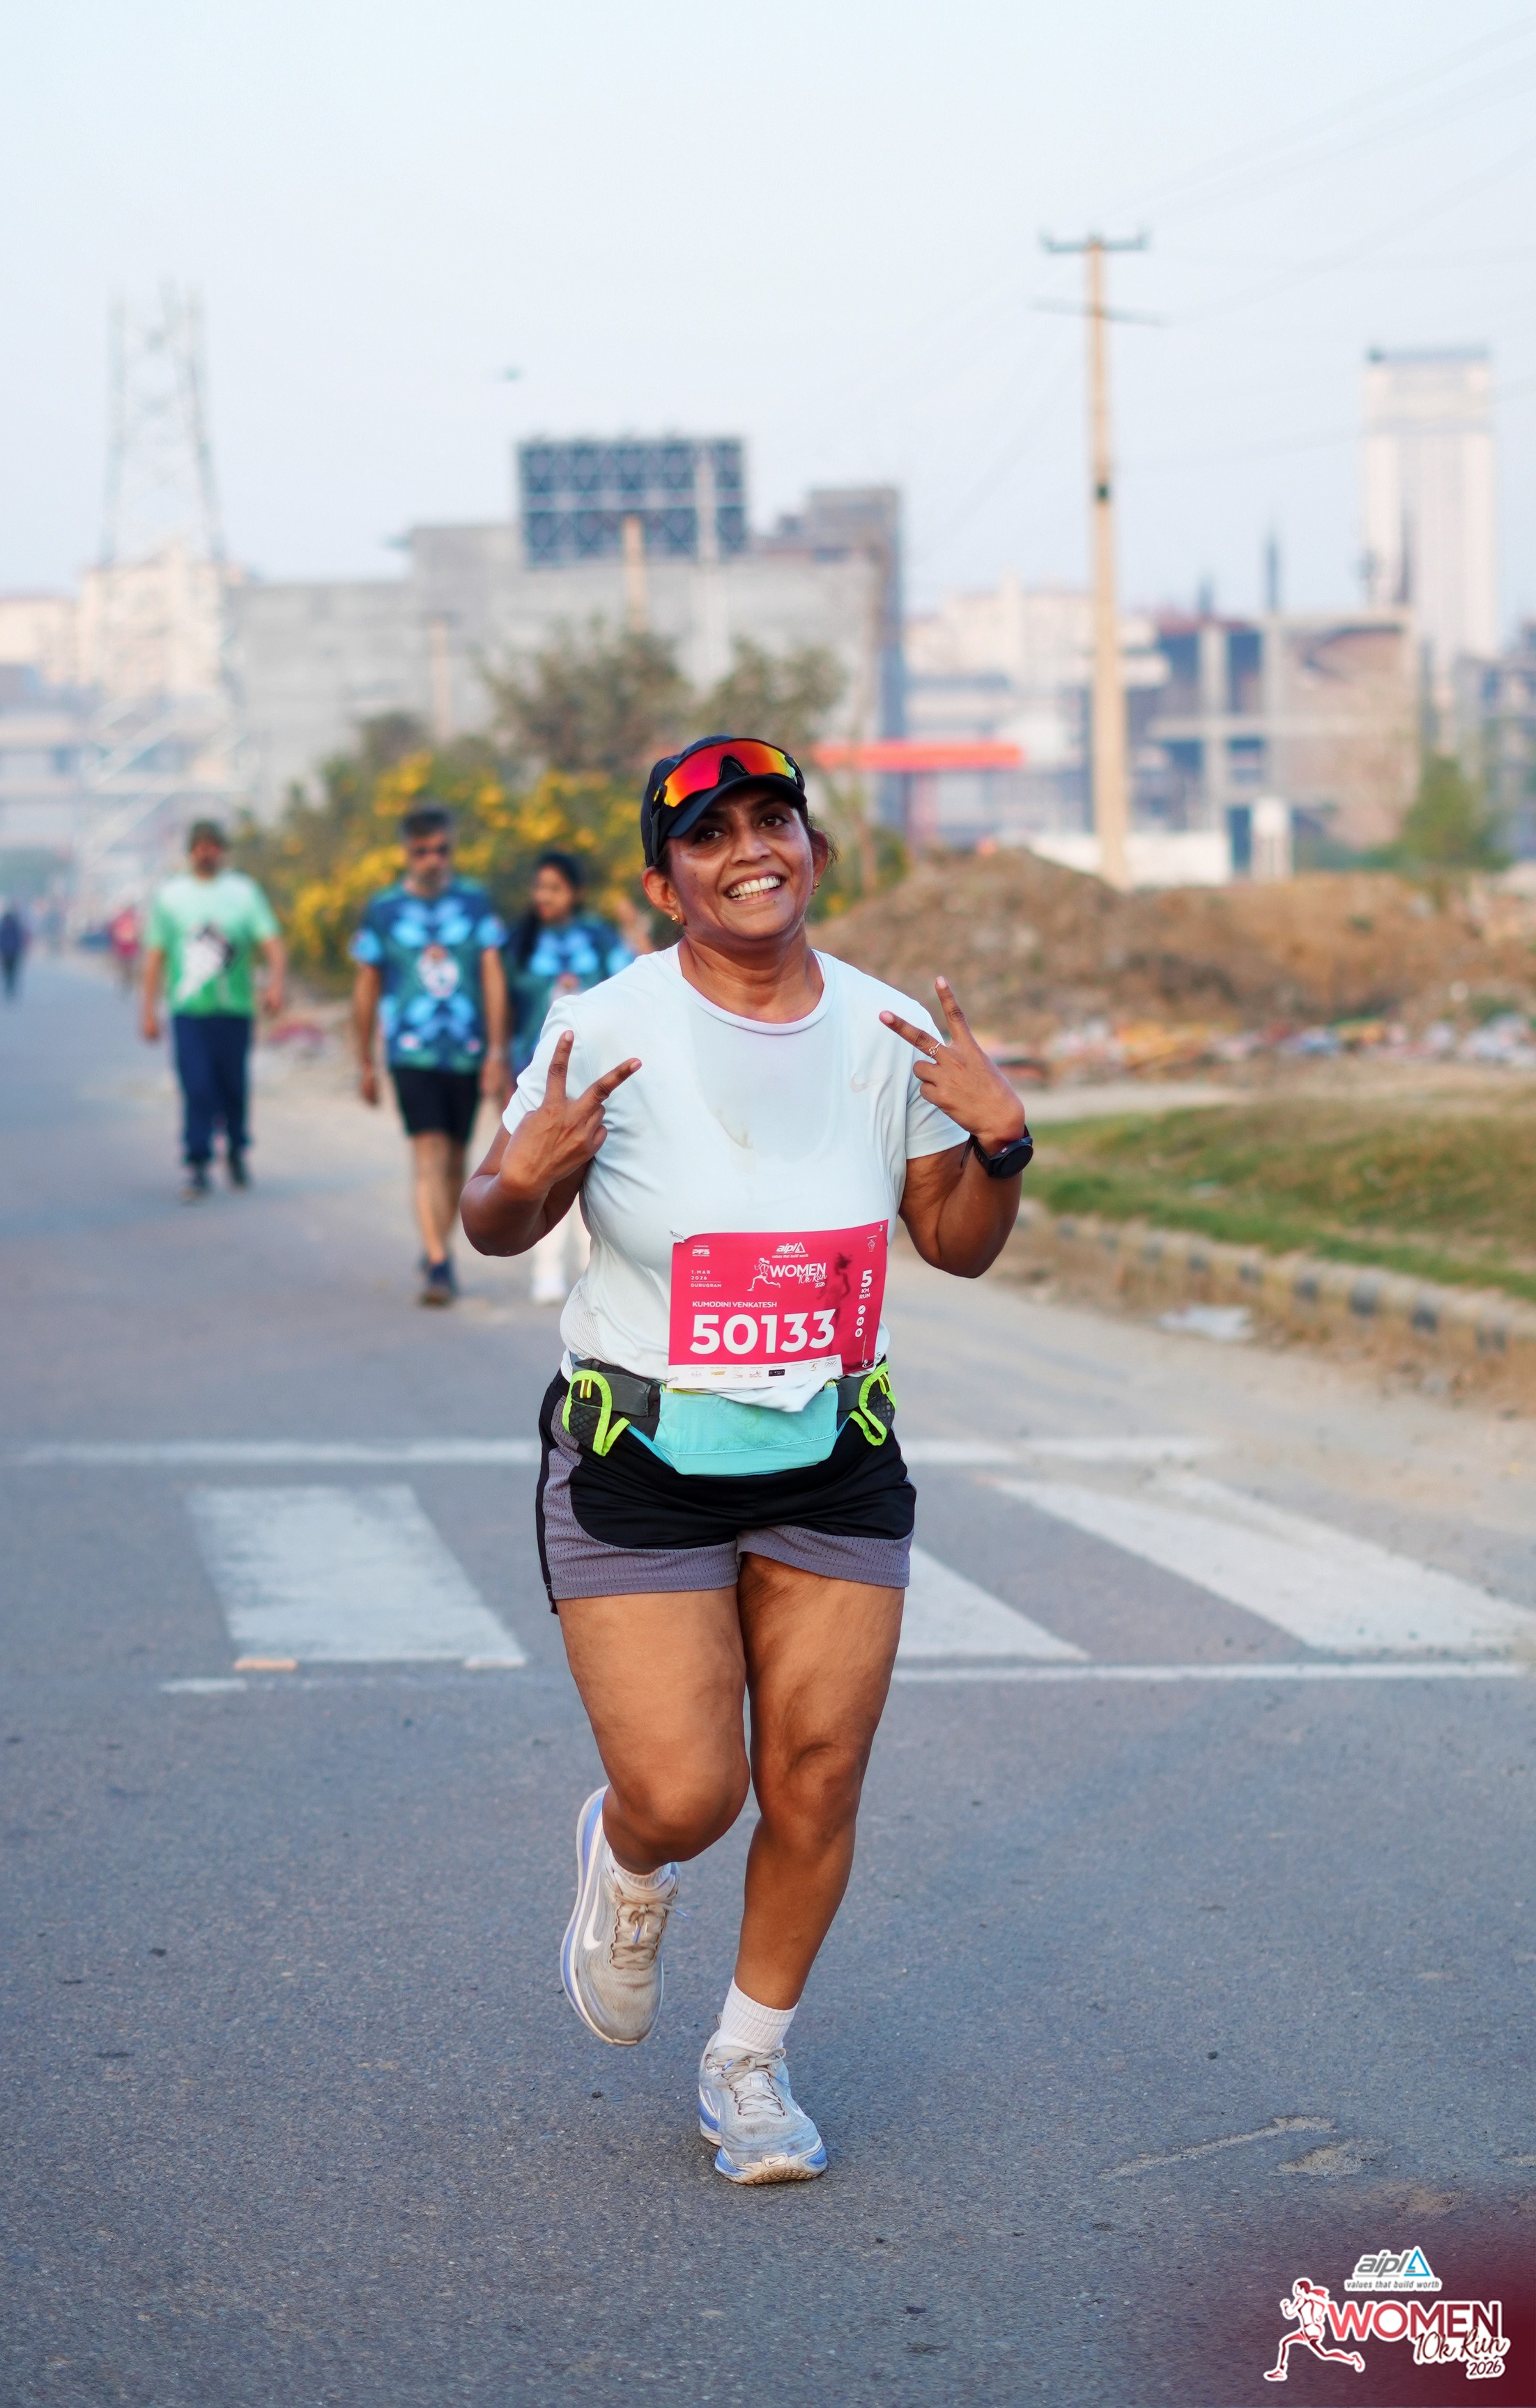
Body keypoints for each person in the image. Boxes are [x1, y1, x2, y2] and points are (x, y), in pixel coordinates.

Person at [462, 735, 1034, 2184]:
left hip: (832, 1450)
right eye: (709, 837)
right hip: (642, 1457)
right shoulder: (604, 1026)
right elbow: (495, 1218)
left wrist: (1001, 1146)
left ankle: (749, 2063)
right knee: (688, 1794)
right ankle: (629, 1854)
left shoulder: (888, 1028)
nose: (749, 852)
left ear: (813, 854)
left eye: (772, 822)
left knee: (819, 1775)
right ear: (667, 885)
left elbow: (953, 1245)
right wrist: (523, 1176)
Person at [352, 804, 510, 1307]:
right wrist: (364, 1061)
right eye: (422, 852)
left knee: (458, 1159)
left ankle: (436, 1244)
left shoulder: (474, 902)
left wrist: (497, 1051)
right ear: (407, 853)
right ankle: (440, 1263)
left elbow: (493, 975)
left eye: (441, 850)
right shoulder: (384, 909)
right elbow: (366, 984)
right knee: (428, 1152)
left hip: (466, 1050)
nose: (433, 861)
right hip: (410, 1051)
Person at [506, 849, 633, 1306]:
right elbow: (502, 1004)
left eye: (555, 889)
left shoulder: (599, 938)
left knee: (590, 1167)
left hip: (596, 1075)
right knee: (541, 1169)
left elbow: (633, 987)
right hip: (533, 1073)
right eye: (540, 887)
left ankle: (588, 1268)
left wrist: (635, 930)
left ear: (576, 893)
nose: (544, 896)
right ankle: (545, 1271)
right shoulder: (519, 941)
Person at [141, 820, 286, 1201]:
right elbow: (155, 955)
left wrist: (276, 985)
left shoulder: (243, 892)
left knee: (233, 1085)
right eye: (200, 846)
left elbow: (271, 941)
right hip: (189, 1009)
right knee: (197, 1086)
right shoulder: (171, 896)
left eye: (214, 846)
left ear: (223, 850)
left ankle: (236, 1148)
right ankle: (197, 1161)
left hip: (235, 1008)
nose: (207, 853)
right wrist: (148, 1011)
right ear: (191, 851)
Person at [0, 904, 28, 1000]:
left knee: (12, 973)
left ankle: (11, 989)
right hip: (6, 954)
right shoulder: (4, 928)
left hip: (13, 954)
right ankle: (8, 989)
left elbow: (19, 940)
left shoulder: (13, 927)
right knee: (7, 973)